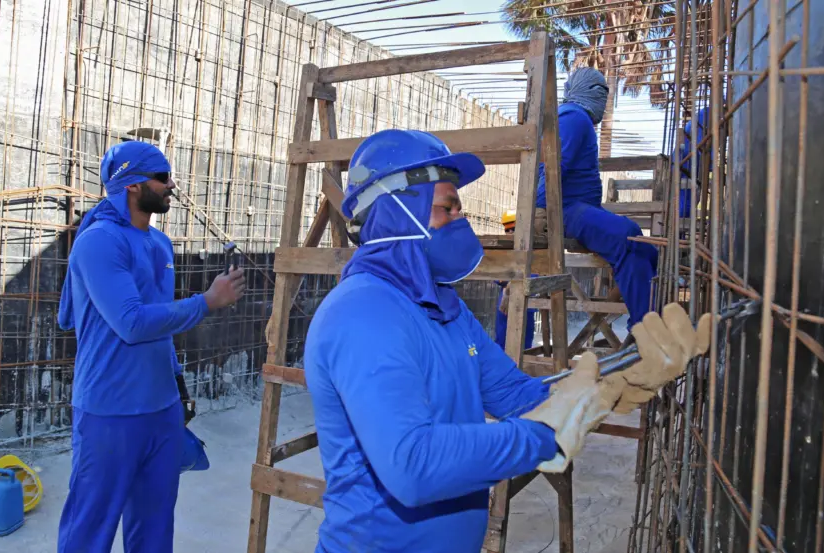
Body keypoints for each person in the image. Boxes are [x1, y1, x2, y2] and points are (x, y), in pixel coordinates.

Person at [303, 128, 714, 553]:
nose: (461, 222)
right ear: (397, 211)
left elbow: (515, 394)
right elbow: (413, 466)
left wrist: (608, 385)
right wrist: (545, 433)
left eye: (460, 209)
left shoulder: (444, 307)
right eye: (447, 208)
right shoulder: (363, 313)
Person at [55, 141, 245, 553]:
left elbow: (160, 323)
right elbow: (132, 323)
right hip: (110, 412)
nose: (171, 185)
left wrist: (178, 386)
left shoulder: (159, 244)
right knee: (90, 527)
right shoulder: (99, 242)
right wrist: (207, 301)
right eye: (162, 177)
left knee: (155, 527)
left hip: (161, 410)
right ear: (132, 185)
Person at [533, 67, 659, 331]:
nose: (604, 98)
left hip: (579, 208)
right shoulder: (574, 117)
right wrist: (541, 210)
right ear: (584, 90)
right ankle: (645, 330)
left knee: (645, 248)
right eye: (600, 91)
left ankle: (645, 324)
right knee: (629, 236)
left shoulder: (576, 119)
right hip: (566, 209)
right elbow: (554, 167)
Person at [494, 210, 536, 351]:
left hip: (526, 305)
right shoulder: (504, 251)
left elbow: (534, 277)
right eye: (507, 230)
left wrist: (510, 283)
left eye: (513, 229)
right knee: (502, 341)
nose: (510, 232)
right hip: (505, 305)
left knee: (524, 345)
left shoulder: (534, 251)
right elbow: (497, 277)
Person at [676, 107, 709, 219]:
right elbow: (703, 149)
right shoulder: (706, 117)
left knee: (687, 203)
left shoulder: (703, 115)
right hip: (687, 163)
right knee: (685, 206)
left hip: (689, 163)